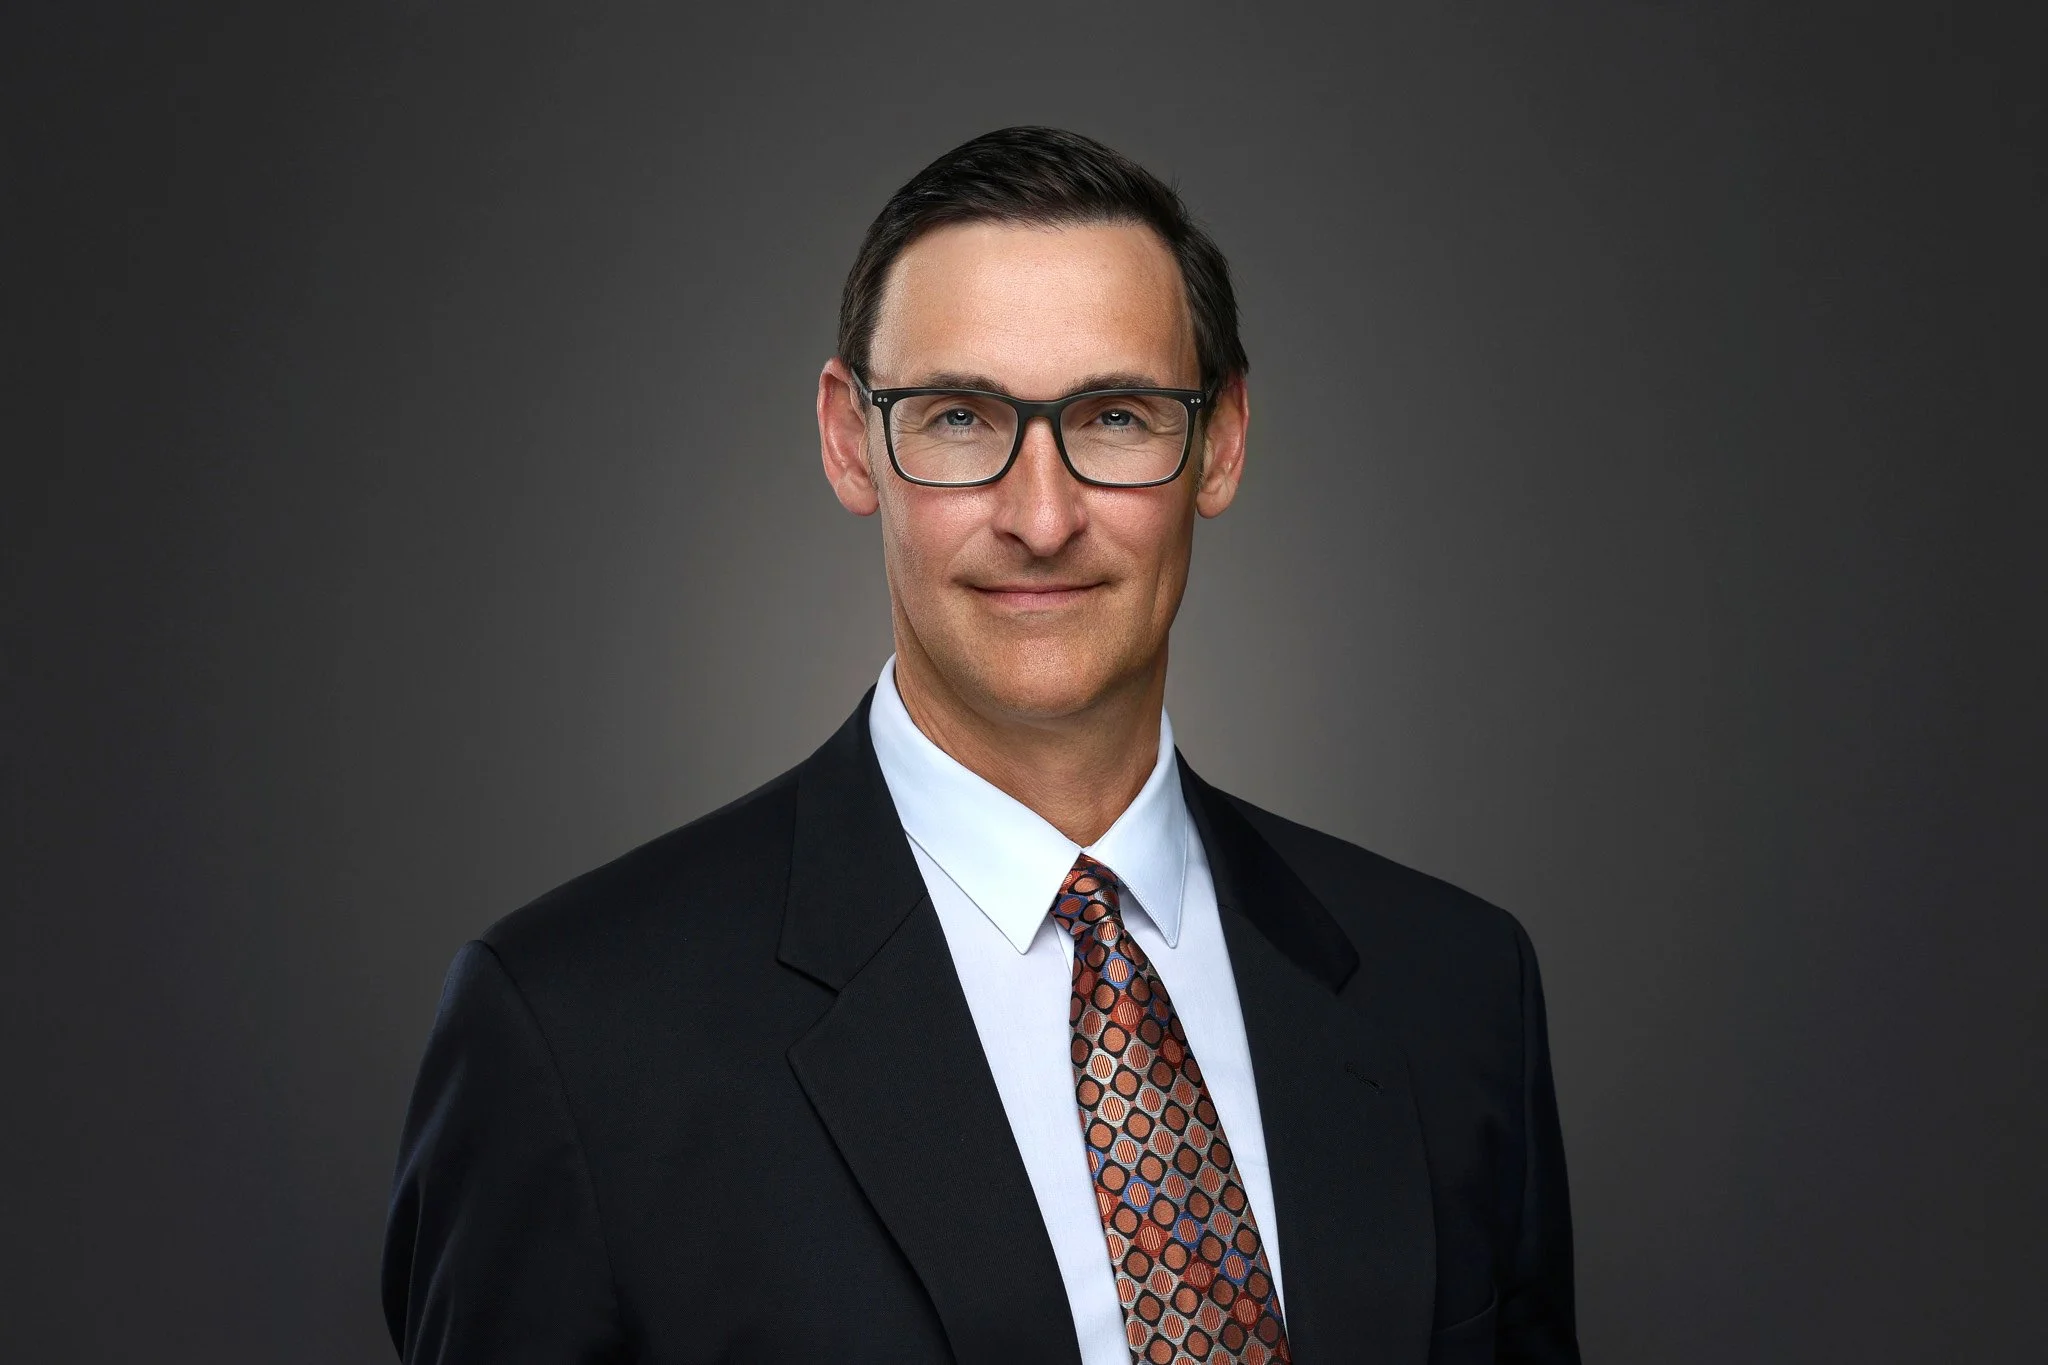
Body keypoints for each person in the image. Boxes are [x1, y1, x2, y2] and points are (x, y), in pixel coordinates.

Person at [381, 125, 1579, 1365]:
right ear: (852, 441)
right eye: (960, 418)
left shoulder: (1456, 993)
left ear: (1218, 442)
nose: (1041, 516)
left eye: (1114, 417)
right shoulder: (573, 1037)